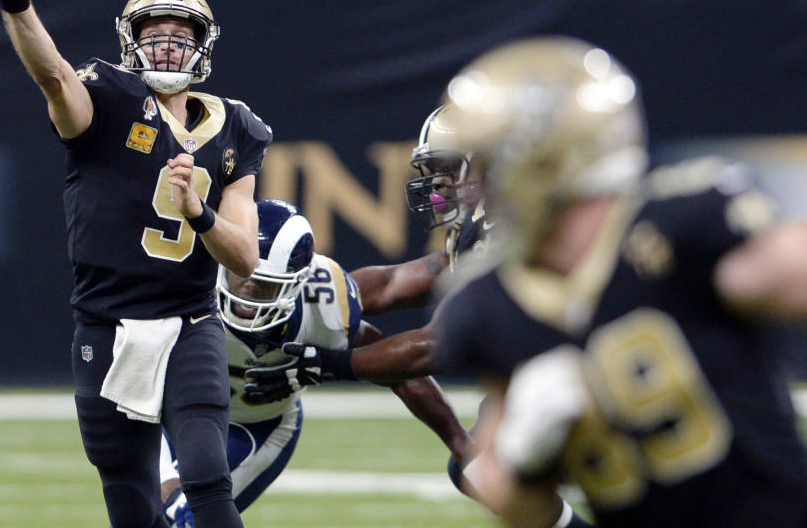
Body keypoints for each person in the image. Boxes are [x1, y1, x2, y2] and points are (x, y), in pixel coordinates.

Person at [434, 36, 807, 527]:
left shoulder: (676, 229)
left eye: (485, 165)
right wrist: (526, 455)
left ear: (541, 160)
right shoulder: (488, 303)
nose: (476, 186)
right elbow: (504, 493)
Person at [0, 0, 272, 527]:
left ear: (204, 46)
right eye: (154, 32)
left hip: (190, 321)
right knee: (129, 492)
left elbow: (244, 258)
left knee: (206, 473)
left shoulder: (236, 127)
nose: (167, 45)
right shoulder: (109, 97)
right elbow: (52, 76)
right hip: (107, 321)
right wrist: (17, 4)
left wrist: (199, 209)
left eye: (182, 34)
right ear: (130, 41)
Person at [242, 107, 593, 528]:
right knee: (482, 466)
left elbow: (436, 346)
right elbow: (393, 284)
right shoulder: (488, 228)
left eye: (448, 168)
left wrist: (327, 364)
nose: (439, 183)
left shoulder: (517, 230)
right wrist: (302, 295)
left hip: (592, 374)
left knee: (504, 461)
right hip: (560, 372)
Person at [158, 198, 473, 525]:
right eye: (241, 272)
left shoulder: (323, 303)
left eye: (265, 285)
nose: (247, 291)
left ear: (297, 284)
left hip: (258, 426)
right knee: (151, 515)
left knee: (186, 520)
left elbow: (400, 372)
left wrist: (459, 442)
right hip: (171, 411)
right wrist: (165, 478)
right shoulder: (192, 278)